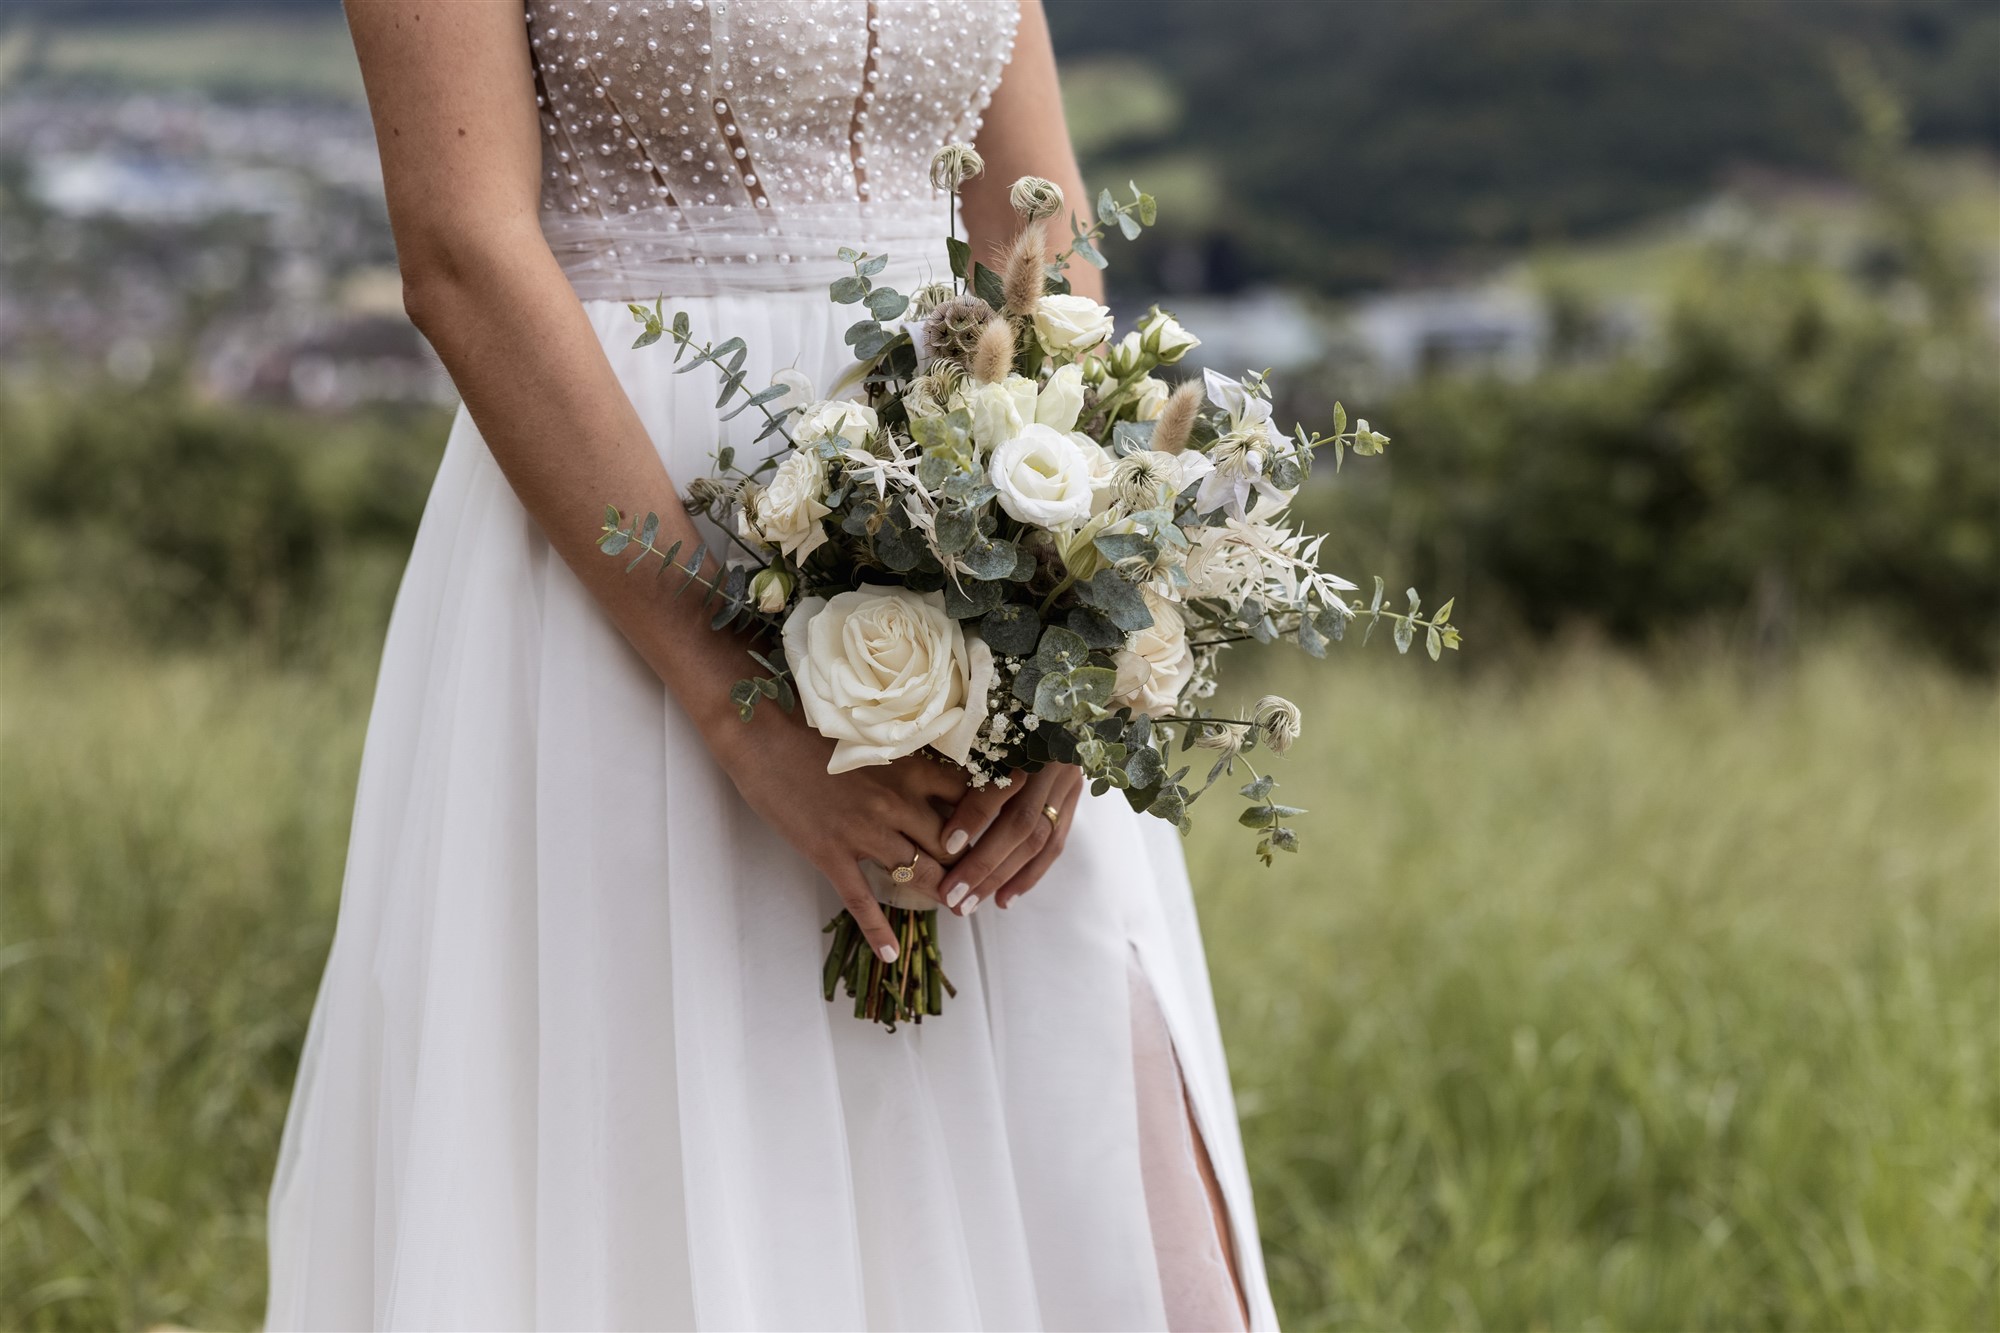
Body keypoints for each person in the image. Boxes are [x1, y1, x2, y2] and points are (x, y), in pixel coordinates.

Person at [267, 3, 1274, 1328]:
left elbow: (1034, 232)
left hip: (970, 505)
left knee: (1103, 1201)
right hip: (633, 531)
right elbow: (462, 252)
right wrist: (732, 695)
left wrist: (1065, 638)